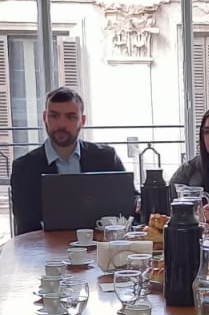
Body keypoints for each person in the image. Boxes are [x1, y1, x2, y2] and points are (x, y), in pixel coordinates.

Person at [9, 86, 128, 235]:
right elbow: (26, 228)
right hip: (47, 247)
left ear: (82, 120)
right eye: (54, 116)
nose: (61, 124)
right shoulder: (24, 168)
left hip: (100, 244)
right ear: (45, 117)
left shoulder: (107, 158)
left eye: (71, 117)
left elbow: (129, 200)